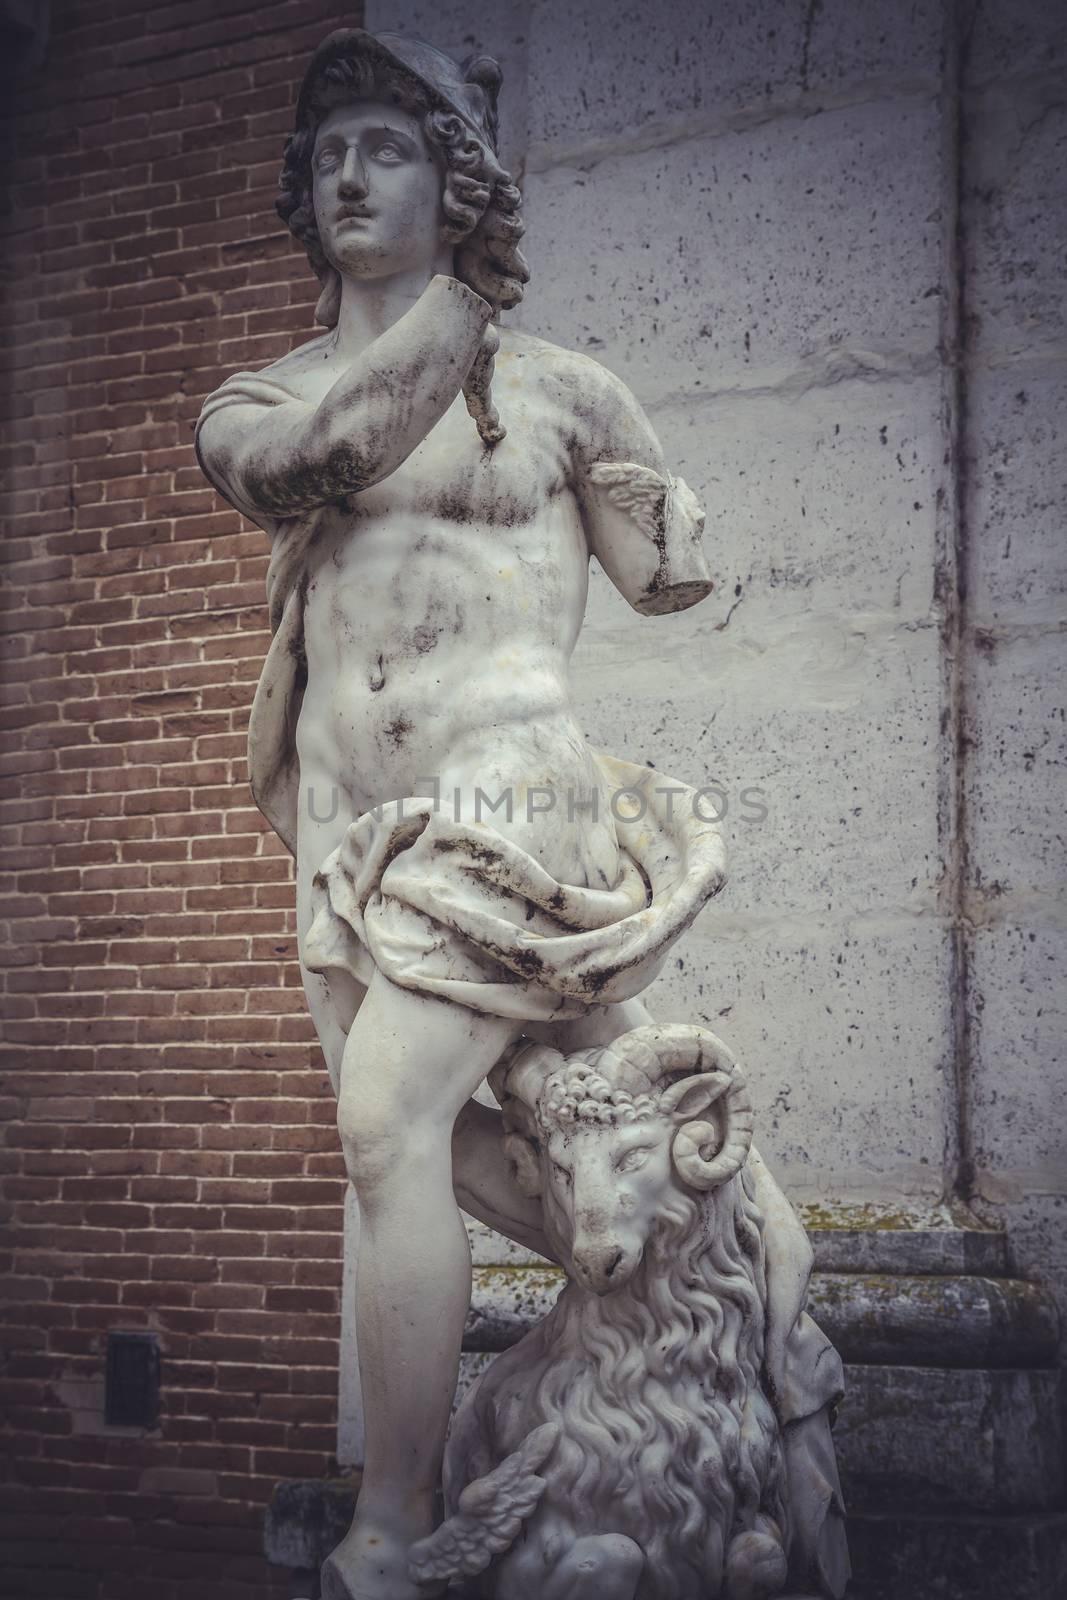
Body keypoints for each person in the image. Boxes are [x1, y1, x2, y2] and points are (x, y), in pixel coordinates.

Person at [195, 30, 846, 1600]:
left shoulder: (568, 397)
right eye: (330, 150)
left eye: (390, 145)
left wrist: (643, 489)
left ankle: (395, 1520)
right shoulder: (260, 399)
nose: (351, 172)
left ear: (456, 180)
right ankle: (714, 1371)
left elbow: (666, 568)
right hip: (358, 840)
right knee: (532, 1151)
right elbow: (328, 458)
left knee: (385, 1123)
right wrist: (473, 294)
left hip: (520, 805)